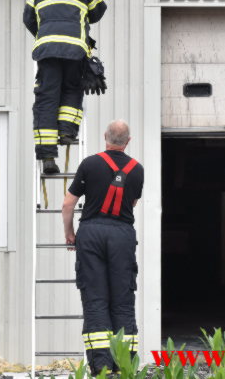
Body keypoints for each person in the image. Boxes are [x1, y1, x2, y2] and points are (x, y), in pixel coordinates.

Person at [61, 120, 144, 374]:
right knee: (122, 301)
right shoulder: (137, 169)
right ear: (128, 141)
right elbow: (133, 203)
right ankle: (124, 367)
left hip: (91, 233)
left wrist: (70, 234)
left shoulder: (89, 164)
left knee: (96, 300)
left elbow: (68, 204)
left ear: (104, 136)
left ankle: (102, 368)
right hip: (122, 235)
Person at [23, 0, 107, 174]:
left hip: (47, 51)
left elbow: (28, 18)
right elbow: (98, 11)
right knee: (72, 88)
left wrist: (45, 35)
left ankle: (48, 156)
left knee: (46, 98)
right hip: (75, 50)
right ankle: (67, 132)